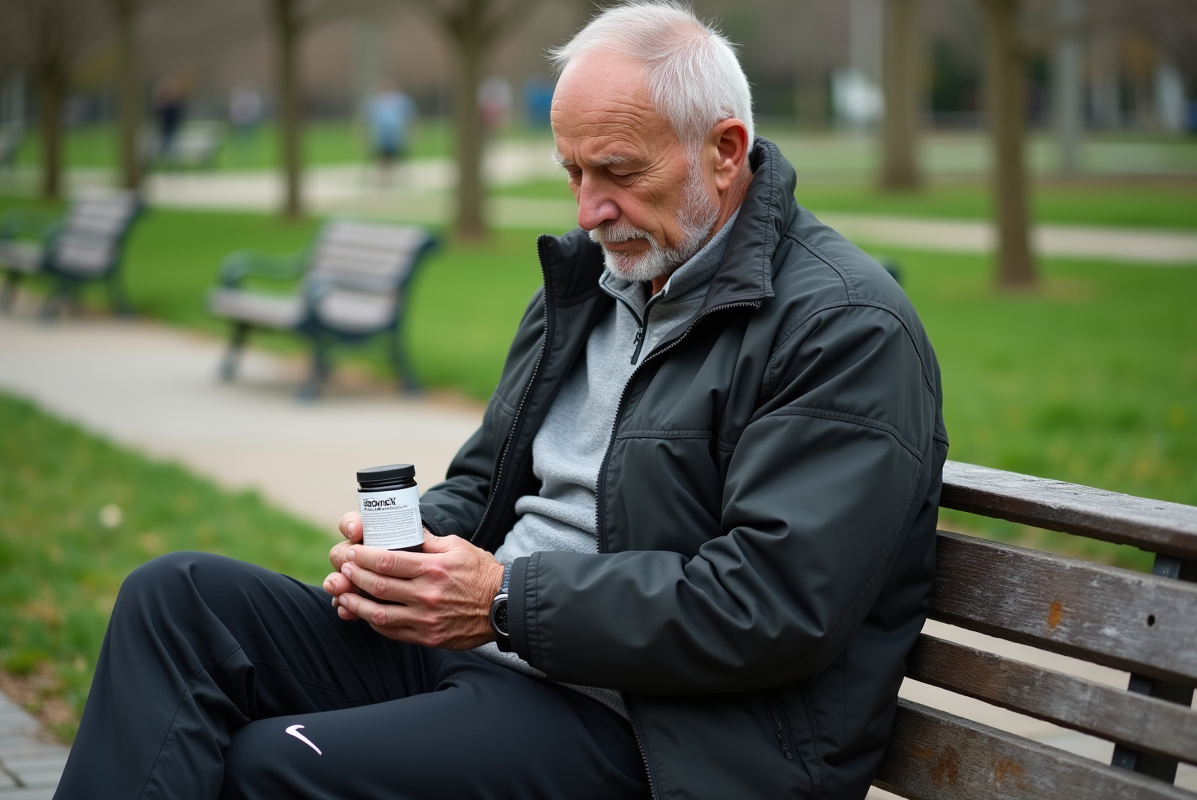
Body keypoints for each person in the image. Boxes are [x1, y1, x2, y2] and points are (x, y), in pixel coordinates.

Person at [55, 3, 947, 799]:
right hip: (492, 654)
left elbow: (771, 606)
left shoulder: (845, 328)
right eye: (571, 173)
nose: (591, 210)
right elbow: (483, 488)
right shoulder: (597, 282)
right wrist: (407, 555)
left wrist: (506, 601)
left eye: (617, 172)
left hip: (662, 733)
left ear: (722, 150)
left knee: (275, 761)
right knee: (174, 600)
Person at [366, 80, 415, 185]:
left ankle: (394, 179)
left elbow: (409, 118)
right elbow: (368, 119)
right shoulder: (375, 102)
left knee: (396, 157)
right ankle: (384, 180)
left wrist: (411, 133)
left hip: (396, 136)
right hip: (381, 136)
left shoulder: (402, 101)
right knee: (382, 158)